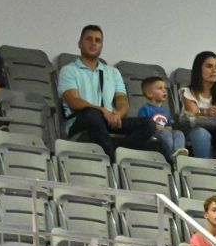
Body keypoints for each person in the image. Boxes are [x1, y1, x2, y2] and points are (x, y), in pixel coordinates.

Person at [56, 26, 159, 157]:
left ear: (101, 46)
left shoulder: (113, 72)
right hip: (81, 121)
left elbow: (122, 99)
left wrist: (118, 114)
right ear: (80, 44)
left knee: (148, 124)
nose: (93, 43)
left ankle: (116, 153)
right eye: (89, 39)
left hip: (107, 120)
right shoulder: (69, 70)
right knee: (93, 115)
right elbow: (73, 101)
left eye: (98, 40)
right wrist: (102, 110)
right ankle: (113, 159)